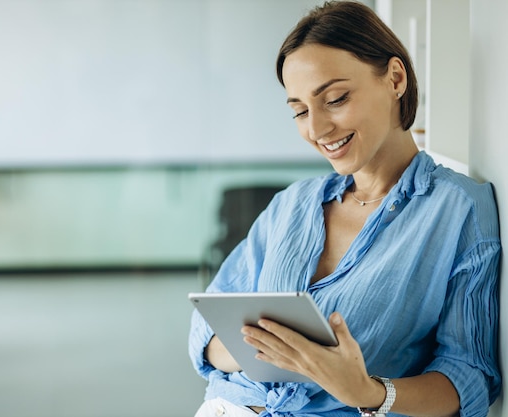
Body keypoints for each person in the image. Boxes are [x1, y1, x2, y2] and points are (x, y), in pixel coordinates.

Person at [188, 1, 501, 416]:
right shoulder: (292, 204)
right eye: (299, 110)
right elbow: (206, 329)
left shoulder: (457, 210)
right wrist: (274, 350)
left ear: (394, 79)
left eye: (334, 99)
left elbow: (471, 375)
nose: (316, 129)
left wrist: (370, 392)